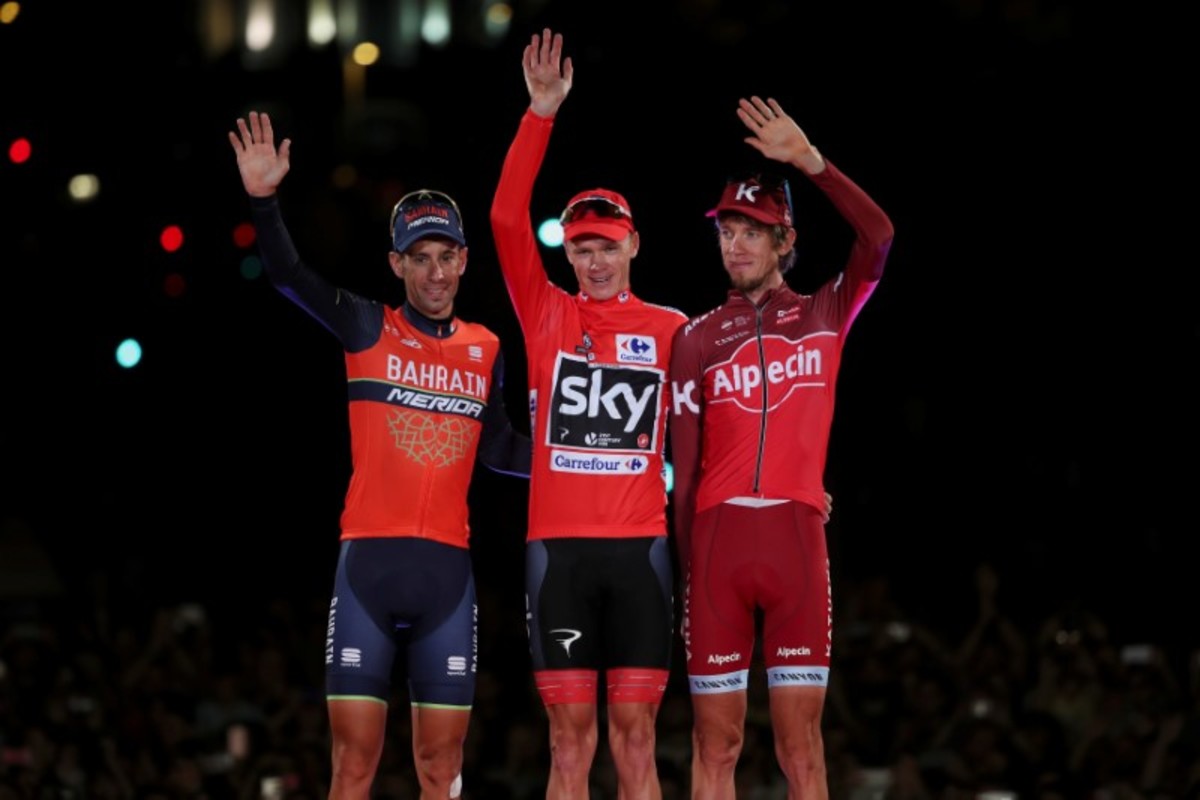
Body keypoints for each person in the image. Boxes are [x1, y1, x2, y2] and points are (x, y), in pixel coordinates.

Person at [228, 110, 531, 800]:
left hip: (447, 578)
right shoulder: (368, 326)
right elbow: (288, 275)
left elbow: (501, 448)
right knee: (353, 767)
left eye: (445, 256)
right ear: (397, 264)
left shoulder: (486, 348)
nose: (434, 272)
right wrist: (264, 200)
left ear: (463, 260)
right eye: (419, 258)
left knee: (441, 771)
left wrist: (589, 460)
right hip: (367, 570)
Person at [668, 96, 895, 798]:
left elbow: (879, 236)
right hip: (717, 547)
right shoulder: (695, 338)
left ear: (784, 240)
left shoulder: (826, 312)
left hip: (797, 540)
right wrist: (685, 573)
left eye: (752, 232)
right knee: (715, 746)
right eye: (726, 231)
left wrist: (812, 163)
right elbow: (683, 471)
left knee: (802, 749)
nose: (735, 245)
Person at [489, 28, 689, 799]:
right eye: (581, 248)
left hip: (641, 552)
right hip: (559, 556)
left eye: (606, 245)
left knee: (636, 738)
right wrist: (539, 114)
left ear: (633, 243)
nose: (595, 261)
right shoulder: (546, 312)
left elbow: (721, 425)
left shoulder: (674, 330)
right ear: (566, 254)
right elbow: (507, 219)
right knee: (569, 741)